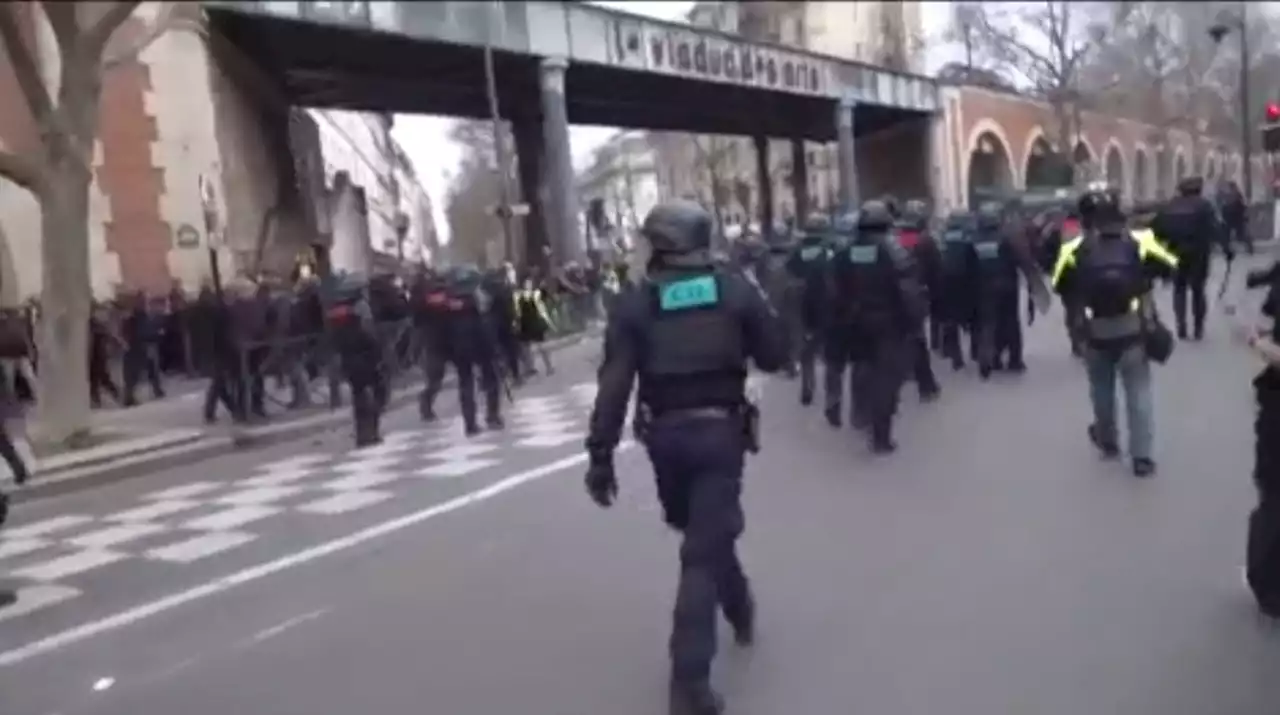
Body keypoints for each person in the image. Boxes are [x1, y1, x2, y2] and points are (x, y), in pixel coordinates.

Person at [582, 199, 786, 715]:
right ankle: (721, 631)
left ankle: (690, 672)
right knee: (704, 542)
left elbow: (615, 382)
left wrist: (600, 455)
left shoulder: (636, 302)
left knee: (699, 538)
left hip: (665, 441)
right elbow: (775, 355)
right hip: (720, 433)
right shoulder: (734, 288)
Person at [1050, 185, 1178, 477]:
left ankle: (1108, 442)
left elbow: (1058, 284)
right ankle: (1142, 457)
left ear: (1089, 221)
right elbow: (1170, 265)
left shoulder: (1075, 249)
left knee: (1101, 388)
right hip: (1132, 328)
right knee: (1139, 391)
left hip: (1094, 330)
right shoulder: (1138, 242)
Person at [825, 201, 927, 452]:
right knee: (886, 378)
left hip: (854, 322)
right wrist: (915, 322)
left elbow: (834, 292)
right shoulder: (893, 251)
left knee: (861, 368)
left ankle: (860, 414)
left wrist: (838, 323)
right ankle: (881, 435)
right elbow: (908, 292)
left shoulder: (845, 252)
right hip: (888, 324)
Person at [1151, 176, 1232, 341]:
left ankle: (1181, 326)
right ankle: (1198, 328)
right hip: (1199, 254)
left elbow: (1156, 230)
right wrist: (1227, 249)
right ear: (1198, 190)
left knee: (1179, 289)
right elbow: (1215, 229)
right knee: (1198, 290)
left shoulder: (1170, 206)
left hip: (1175, 254)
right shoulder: (1204, 206)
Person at [324, 274, 385, 448]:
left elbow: (331, 335)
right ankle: (372, 431)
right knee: (376, 392)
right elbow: (369, 331)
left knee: (358, 395)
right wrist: (378, 351)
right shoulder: (361, 307)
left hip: (347, 356)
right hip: (365, 355)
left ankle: (362, 434)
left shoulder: (335, 310)